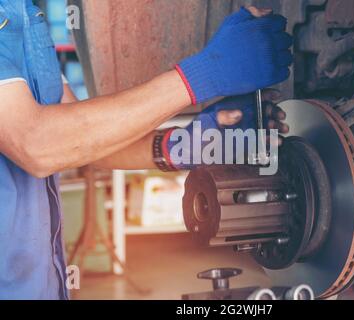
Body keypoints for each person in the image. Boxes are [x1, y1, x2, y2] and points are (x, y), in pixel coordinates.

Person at [0, 0, 292, 299]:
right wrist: (203, 74)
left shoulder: (25, 13)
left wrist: (180, 145)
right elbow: (36, 144)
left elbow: (81, 140)